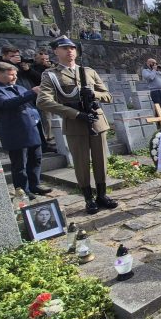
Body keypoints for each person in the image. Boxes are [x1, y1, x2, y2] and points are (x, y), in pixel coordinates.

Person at [37, 35, 118, 214]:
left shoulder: (88, 71)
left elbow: (107, 95)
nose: (70, 51)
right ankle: (88, 198)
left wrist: (93, 94)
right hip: (75, 123)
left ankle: (102, 195)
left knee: (101, 161)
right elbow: (43, 101)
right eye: (65, 48)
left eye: (72, 48)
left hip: (96, 121)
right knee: (81, 163)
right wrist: (75, 114)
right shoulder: (51, 75)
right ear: (56, 51)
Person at [0, 62, 53, 201]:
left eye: (15, 74)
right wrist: (31, 92)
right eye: (11, 74)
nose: (14, 77)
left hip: (32, 127)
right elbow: (6, 104)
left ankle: (35, 184)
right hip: (15, 131)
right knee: (19, 164)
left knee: (36, 159)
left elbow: (31, 103)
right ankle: (23, 189)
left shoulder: (20, 87)